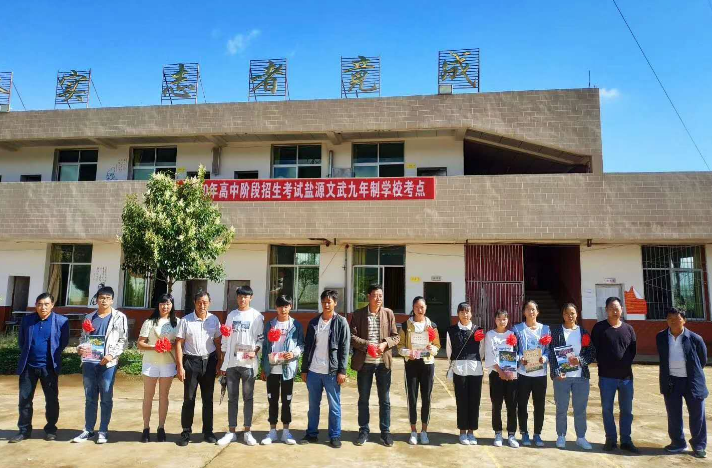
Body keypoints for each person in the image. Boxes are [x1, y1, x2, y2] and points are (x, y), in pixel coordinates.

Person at [10, 292, 69, 443]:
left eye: (46, 304)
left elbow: (63, 343)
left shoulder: (61, 321)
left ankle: (51, 430)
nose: (43, 307)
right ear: (36, 305)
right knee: (24, 400)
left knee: (51, 400)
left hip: (49, 368)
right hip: (28, 367)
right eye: (40, 304)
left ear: (52, 305)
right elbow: (22, 342)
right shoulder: (27, 320)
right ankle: (24, 431)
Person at [73, 286, 128, 444]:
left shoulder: (119, 317)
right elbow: (83, 338)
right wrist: (80, 348)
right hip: (89, 363)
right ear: (96, 299)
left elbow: (123, 340)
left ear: (112, 300)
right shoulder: (89, 317)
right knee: (90, 397)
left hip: (108, 364)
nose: (104, 301)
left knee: (106, 397)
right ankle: (88, 430)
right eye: (101, 298)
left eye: (107, 298)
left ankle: (103, 430)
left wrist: (111, 355)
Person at [350, 284, 400, 447]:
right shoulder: (358, 314)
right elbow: (352, 337)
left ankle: (385, 432)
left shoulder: (388, 313)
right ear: (368, 297)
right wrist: (368, 345)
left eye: (380, 295)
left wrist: (385, 344)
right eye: (375, 295)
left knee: (384, 400)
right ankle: (363, 431)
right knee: (363, 399)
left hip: (383, 364)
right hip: (364, 364)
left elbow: (396, 337)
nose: (378, 298)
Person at [300, 289, 350, 448]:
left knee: (334, 406)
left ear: (335, 303)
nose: (326, 305)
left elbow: (345, 348)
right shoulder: (314, 322)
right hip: (314, 371)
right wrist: (304, 369)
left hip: (331, 372)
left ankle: (334, 436)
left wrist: (342, 371)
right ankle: (311, 433)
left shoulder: (341, 322)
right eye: (324, 302)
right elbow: (308, 347)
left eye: (329, 302)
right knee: (313, 405)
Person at [657, 308, 708, 459]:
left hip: (692, 381)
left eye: (677, 318)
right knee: (674, 414)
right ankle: (678, 443)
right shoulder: (661, 337)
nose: (673, 321)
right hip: (671, 381)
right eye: (670, 318)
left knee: (697, 415)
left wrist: (692, 372)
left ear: (684, 320)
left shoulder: (695, 338)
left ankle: (699, 445)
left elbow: (702, 360)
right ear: (666, 320)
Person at [217, 285, 264, 446]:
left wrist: (255, 351)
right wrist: (224, 362)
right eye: (240, 296)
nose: (242, 299)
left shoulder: (256, 316)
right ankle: (231, 431)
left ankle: (247, 431)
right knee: (232, 398)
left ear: (251, 298)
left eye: (245, 296)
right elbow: (225, 338)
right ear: (237, 298)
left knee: (248, 398)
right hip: (232, 364)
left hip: (248, 364)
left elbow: (260, 339)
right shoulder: (231, 315)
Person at [591, 296, 639, 453]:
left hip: (626, 378)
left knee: (627, 411)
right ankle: (610, 439)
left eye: (617, 308)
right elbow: (594, 349)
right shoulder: (599, 328)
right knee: (607, 410)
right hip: (606, 377)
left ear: (622, 310)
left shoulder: (628, 329)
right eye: (611, 308)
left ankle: (626, 440)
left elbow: (632, 351)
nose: (614, 311)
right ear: (606, 310)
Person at [175, 290, 222, 446]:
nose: (202, 305)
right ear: (194, 303)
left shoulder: (214, 320)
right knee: (189, 399)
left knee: (208, 399)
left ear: (209, 303)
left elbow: (217, 342)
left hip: (209, 362)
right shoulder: (186, 320)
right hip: (191, 363)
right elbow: (179, 344)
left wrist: (220, 362)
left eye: (205, 302)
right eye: (199, 302)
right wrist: (180, 366)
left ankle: (208, 432)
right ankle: (185, 433)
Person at [548, 303, 595, 450]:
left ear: (577, 315)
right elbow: (551, 353)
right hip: (562, 377)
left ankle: (581, 437)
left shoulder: (583, 332)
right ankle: (561, 436)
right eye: (567, 313)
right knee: (561, 408)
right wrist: (556, 372)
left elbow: (591, 352)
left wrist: (580, 360)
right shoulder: (556, 332)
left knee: (580, 409)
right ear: (563, 315)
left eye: (573, 313)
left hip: (581, 377)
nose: (570, 316)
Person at [260, 295, 304, 446]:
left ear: (290, 307)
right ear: (276, 307)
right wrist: (264, 367)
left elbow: (301, 345)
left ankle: (286, 432)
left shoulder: (296, 325)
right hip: (272, 369)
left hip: (287, 369)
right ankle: (272, 431)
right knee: (272, 400)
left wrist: (293, 353)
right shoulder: (270, 324)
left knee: (287, 401)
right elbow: (265, 346)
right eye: (280, 306)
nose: (283, 309)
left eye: (286, 306)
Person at [137, 293, 181, 443]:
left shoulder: (177, 323)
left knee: (164, 396)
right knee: (148, 396)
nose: (165, 306)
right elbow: (140, 343)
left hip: (168, 364)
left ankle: (161, 427)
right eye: (162, 303)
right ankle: (146, 428)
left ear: (172, 305)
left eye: (168, 303)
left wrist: (170, 345)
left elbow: (180, 344)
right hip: (150, 364)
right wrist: (154, 347)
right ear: (158, 305)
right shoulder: (149, 322)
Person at [397, 296, 440, 445]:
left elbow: (437, 346)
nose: (419, 310)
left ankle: (424, 431)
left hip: (427, 364)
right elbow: (400, 346)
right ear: (413, 308)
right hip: (412, 364)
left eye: (422, 307)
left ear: (426, 308)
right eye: (417, 307)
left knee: (426, 397)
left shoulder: (432, 326)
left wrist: (431, 348)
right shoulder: (406, 325)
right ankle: (413, 431)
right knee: (412, 397)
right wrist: (408, 352)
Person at [446, 302, 485, 445]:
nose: (465, 314)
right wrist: (454, 364)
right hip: (459, 369)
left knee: (474, 401)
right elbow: (449, 351)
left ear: (471, 313)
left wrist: (474, 361)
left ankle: (471, 432)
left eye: (467, 312)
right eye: (462, 312)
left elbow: (481, 351)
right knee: (461, 401)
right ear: (458, 314)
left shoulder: (478, 330)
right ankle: (462, 431)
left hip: (475, 369)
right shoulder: (451, 330)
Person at [513, 300, 550, 447]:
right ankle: (524, 433)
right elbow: (513, 349)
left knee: (539, 405)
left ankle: (537, 434)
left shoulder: (545, 329)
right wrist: (520, 358)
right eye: (528, 309)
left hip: (540, 374)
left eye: (533, 309)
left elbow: (549, 350)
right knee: (522, 404)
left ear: (538, 312)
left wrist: (544, 358)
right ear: (524, 312)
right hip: (523, 374)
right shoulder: (517, 329)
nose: (531, 312)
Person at [483, 309, 519, 448]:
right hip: (496, 374)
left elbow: (516, 353)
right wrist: (500, 371)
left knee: (512, 405)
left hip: (511, 374)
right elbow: (489, 354)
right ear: (495, 320)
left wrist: (510, 370)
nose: (502, 321)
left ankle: (511, 434)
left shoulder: (512, 334)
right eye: (499, 319)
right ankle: (498, 433)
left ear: (507, 320)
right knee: (497, 404)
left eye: (504, 319)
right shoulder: (490, 335)